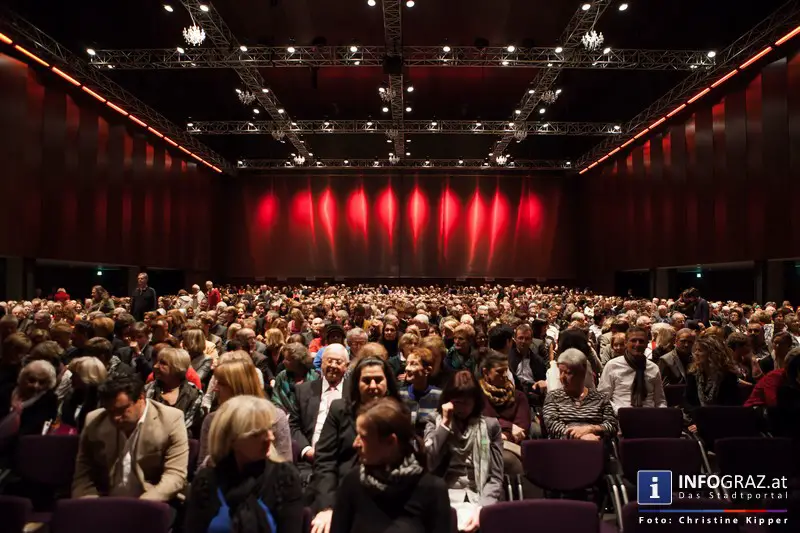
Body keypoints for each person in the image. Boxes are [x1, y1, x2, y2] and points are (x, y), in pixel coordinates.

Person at [331, 398, 452, 533]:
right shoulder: (352, 482)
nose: (355, 444)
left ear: (390, 442)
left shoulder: (432, 490)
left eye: (363, 437)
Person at [186, 396, 303, 533]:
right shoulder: (206, 481)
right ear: (233, 440)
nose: (270, 437)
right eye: (257, 434)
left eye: (269, 429)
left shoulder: (284, 478)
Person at [309, 356, 399, 533]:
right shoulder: (339, 410)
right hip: (341, 492)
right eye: (366, 380)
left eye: (378, 380)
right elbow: (325, 460)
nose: (373, 386)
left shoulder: (397, 412)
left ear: (387, 382)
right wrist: (327, 507)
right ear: (356, 384)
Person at [72, 372, 189, 500]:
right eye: (109, 411)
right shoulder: (94, 421)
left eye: (121, 410)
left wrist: (140, 506)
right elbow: (83, 472)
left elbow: (175, 475)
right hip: (104, 500)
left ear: (141, 398)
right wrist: (88, 503)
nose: (115, 418)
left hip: (151, 501)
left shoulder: (170, 419)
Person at [424, 370, 503, 533]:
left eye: (467, 403)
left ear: (476, 402)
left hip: (479, 495)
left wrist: (482, 509)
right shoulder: (434, 421)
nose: (462, 408)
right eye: (457, 402)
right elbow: (428, 462)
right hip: (445, 494)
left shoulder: (490, 426)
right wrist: (444, 425)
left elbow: (495, 477)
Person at [199, 359, 291, 469]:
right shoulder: (212, 419)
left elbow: (286, 465)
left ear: (237, 386)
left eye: (221, 383)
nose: (215, 388)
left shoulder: (275, 417)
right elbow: (202, 470)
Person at [290, 344, 349, 475]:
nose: (333, 365)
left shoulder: (354, 392)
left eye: (338, 362)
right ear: (321, 363)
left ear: (346, 366)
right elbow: (293, 425)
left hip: (343, 462)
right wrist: (306, 450)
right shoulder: (303, 390)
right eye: (329, 360)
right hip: (308, 463)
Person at [543, 349, 617, 440]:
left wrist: (591, 429)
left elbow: (612, 425)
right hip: (564, 447)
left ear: (582, 373)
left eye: (567, 373)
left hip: (596, 445)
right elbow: (553, 426)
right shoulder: (553, 397)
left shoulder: (600, 398)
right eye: (560, 372)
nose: (561, 377)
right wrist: (582, 437)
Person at [478, 352, 529, 475]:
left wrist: (504, 435)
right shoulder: (477, 395)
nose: (505, 375)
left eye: (506, 371)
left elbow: (522, 429)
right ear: (486, 373)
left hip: (512, 445)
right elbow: (480, 421)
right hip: (484, 443)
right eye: (500, 372)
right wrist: (509, 427)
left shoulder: (518, 396)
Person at [598, 327, 667, 412]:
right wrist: (618, 412)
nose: (637, 345)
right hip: (620, 415)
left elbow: (660, 400)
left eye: (641, 341)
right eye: (633, 340)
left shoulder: (653, 368)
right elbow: (603, 397)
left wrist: (661, 416)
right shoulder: (612, 365)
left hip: (649, 416)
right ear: (626, 343)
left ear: (646, 344)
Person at [0, 360, 58, 451]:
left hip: (20, 449)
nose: (36, 386)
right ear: (22, 378)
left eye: (42, 382)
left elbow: (33, 429)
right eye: (31, 380)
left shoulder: (48, 400)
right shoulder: (6, 390)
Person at [145, 347, 203, 437]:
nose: (155, 366)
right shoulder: (147, 389)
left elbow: (185, 427)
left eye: (162, 363)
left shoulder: (194, 394)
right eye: (157, 362)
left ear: (177, 368)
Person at [684, 336, 740, 420]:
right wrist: (698, 419)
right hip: (696, 417)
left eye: (700, 350)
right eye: (695, 350)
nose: (696, 353)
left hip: (721, 420)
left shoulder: (727, 376)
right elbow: (687, 401)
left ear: (712, 353)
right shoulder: (693, 374)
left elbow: (729, 406)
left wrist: (706, 420)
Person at [397, 347, 442, 435]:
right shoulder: (400, 394)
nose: (407, 368)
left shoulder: (439, 396)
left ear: (427, 370)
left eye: (413, 364)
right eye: (407, 364)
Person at [58, 356, 107, 433]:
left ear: (87, 376)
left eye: (75, 374)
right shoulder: (71, 396)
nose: (71, 378)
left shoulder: (104, 401)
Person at [271, 342, 319, 415]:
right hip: (285, 418)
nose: (283, 362)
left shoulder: (315, 377)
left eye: (288, 360)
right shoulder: (281, 377)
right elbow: (276, 400)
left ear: (298, 361)